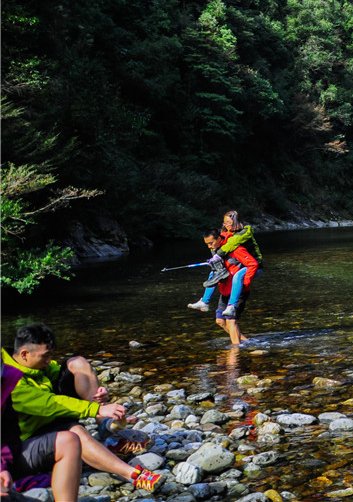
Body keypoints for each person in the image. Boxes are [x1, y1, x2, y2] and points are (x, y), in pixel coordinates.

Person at [1, 325, 164, 493]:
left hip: (48, 420)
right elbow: (49, 403)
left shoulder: (33, 365)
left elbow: (59, 374)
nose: (50, 360)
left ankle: (105, 427)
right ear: (24, 354)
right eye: (45, 356)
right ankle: (132, 475)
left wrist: (98, 398)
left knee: (76, 363)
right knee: (75, 432)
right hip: (26, 440)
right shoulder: (11, 381)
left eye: (51, 355)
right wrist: (95, 409)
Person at [188, 211, 259, 317]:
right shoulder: (224, 235)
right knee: (214, 273)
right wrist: (215, 259)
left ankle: (232, 305)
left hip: (254, 264)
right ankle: (204, 302)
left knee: (237, 277)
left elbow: (231, 244)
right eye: (224, 222)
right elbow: (219, 242)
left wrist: (218, 254)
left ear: (236, 221)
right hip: (241, 264)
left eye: (229, 222)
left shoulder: (245, 231)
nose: (226, 224)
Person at [204, 229, 259, 345]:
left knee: (231, 320)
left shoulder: (236, 250)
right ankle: (245, 342)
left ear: (219, 239)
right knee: (220, 320)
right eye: (207, 244)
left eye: (211, 243)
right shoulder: (217, 253)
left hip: (238, 292)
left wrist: (245, 282)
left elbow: (253, 264)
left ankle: (236, 350)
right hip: (225, 290)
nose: (209, 246)